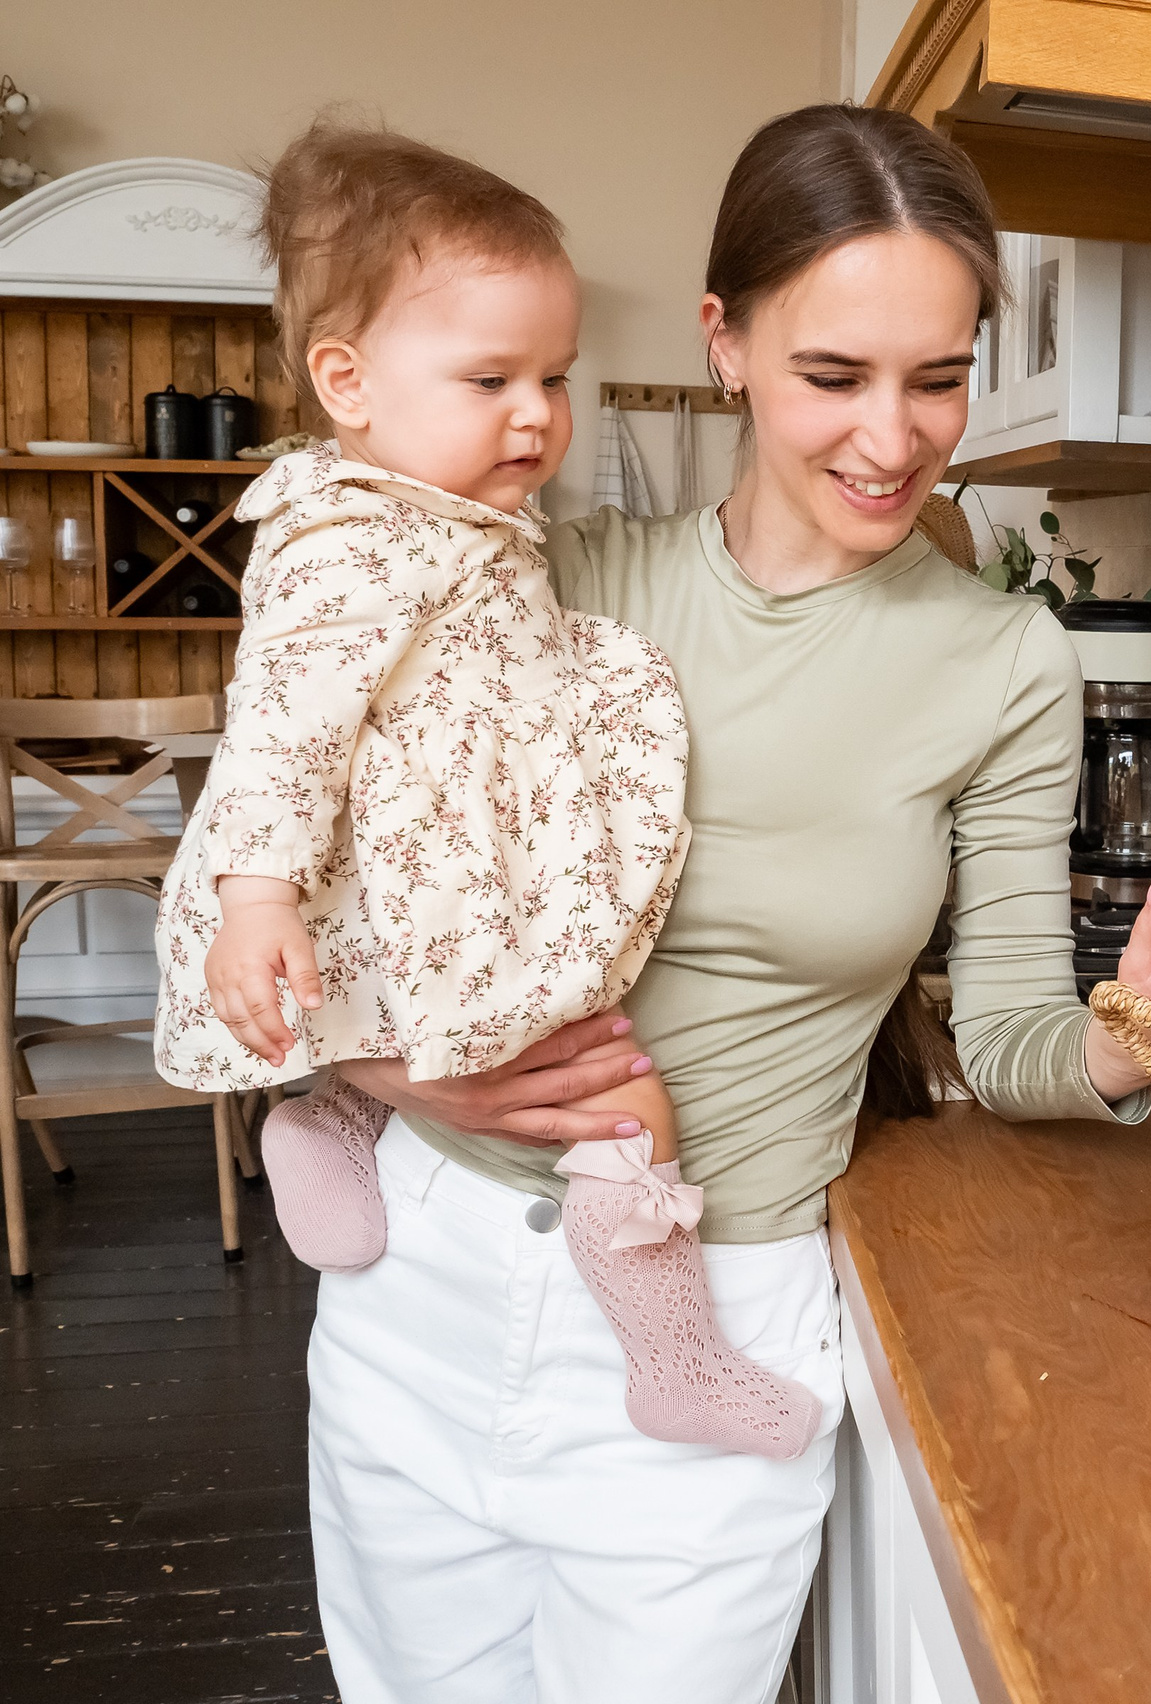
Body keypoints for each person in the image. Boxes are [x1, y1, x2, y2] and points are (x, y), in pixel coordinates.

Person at [285, 103, 1151, 1703]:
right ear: (724, 342)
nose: (895, 438)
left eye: (939, 377)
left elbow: (1009, 1032)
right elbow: (293, 851)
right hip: (415, 1289)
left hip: (712, 1321)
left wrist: (1141, 1034)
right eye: (834, 376)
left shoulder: (1000, 665)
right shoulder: (542, 573)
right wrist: (384, 1071)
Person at [154, 121, 819, 1461]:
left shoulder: (446, 510)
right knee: (618, 1088)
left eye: (555, 376)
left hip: (430, 876)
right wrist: (255, 893)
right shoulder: (348, 537)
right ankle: (674, 1356)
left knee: (417, 1025)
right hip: (393, 880)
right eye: (491, 377)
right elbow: (279, 725)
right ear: (346, 380)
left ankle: (325, 1118)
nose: (537, 414)